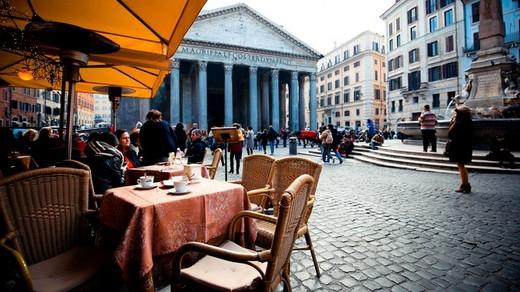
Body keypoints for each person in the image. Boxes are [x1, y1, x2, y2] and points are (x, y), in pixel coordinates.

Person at [447, 105, 473, 193]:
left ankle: (465, 185)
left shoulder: (459, 122)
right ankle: (465, 184)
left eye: (456, 114)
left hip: (460, 146)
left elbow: (450, 133)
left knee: (461, 165)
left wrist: (453, 121)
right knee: (461, 165)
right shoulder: (467, 121)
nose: (454, 115)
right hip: (464, 146)